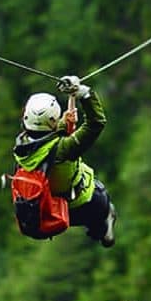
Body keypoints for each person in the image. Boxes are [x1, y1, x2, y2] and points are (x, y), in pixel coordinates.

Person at [13, 76, 116, 247]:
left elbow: (44, 140)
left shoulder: (21, 146)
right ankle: (101, 230)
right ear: (53, 120)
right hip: (79, 204)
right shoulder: (64, 149)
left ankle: (97, 230)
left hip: (48, 210)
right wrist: (84, 94)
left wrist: (63, 122)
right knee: (103, 202)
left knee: (92, 210)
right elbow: (95, 123)